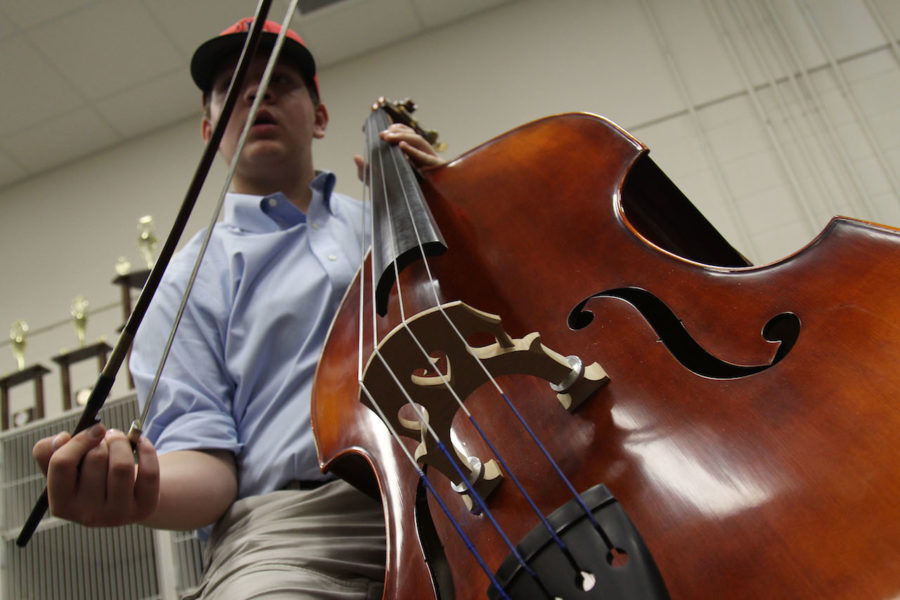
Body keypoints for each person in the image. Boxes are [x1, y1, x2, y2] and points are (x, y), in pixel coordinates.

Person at [32, 16, 444, 599]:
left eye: (281, 80)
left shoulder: (392, 222)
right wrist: (137, 490)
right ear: (211, 129)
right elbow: (208, 468)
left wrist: (458, 207)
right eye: (232, 87)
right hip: (298, 535)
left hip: (460, 492)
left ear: (320, 117)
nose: (257, 92)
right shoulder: (180, 283)